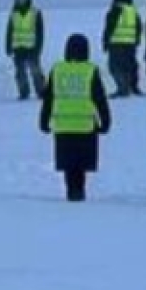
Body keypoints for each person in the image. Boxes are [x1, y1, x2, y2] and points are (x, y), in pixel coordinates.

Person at [40, 34, 112, 201]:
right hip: (85, 124)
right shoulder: (90, 70)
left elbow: (49, 98)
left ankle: (71, 191)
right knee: (81, 165)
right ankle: (79, 192)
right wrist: (106, 121)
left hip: (63, 125)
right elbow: (99, 98)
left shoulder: (57, 70)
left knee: (69, 164)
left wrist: (44, 121)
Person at [102, 0, 143, 98]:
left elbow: (109, 28)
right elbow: (139, 27)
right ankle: (130, 87)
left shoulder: (115, 10)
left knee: (115, 67)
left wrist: (105, 42)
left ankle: (122, 88)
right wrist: (137, 40)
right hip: (130, 44)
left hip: (116, 43)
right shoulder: (133, 11)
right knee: (129, 66)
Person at [6, 0, 46, 100]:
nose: (21, 1)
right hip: (18, 48)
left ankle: (41, 91)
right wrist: (8, 46)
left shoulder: (35, 12)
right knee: (20, 73)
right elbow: (9, 31)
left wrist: (39, 47)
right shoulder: (13, 13)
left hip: (32, 48)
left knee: (36, 71)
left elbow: (40, 32)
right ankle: (24, 93)